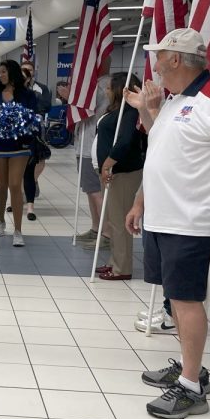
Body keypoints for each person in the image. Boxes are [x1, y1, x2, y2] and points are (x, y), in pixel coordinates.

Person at [124, 28, 210, 419]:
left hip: (194, 221)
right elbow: (162, 149)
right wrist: (140, 201)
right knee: (176, 298)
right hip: (164, 216)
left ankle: (190, 386)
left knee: (187, 300)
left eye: (158, 57)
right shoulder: (174, 101)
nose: (153, 64)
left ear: (175, 59)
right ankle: (193, 369)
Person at [94, 73, 144, 281]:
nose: (106, 91)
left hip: (122, 172)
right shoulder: (116, 110)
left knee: (119, 220)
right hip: (112, 172)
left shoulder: (130, 111)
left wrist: (108, 163)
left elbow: (124, 141)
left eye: (109, 87)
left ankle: (122, 267)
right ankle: (115, 261)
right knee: (113, 219)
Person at [0, 59, 38, 247]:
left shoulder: (28, 95)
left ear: (13, 72)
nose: (1, 75)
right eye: (0, 73)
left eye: (4, 72)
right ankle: (0, 221)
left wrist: (18, 122)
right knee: (2, 184)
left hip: (20, 146)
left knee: (15, 185)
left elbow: (34, 118)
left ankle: (18, 230)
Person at [75, 56, 112, 250]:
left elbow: (91, 108)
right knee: (90, 190)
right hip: (84, 143)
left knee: (97, 192)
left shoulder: (105, 84)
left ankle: (106, 234)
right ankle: (96, 228)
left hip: (93, 146)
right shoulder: (92, 84)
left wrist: (74, 99)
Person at [19, 62, 51, 222]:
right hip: (13, 139)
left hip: (33, 135)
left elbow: (44, 107)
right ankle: (17, 201)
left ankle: (30, 205)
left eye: (28, 71)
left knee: (31, 171)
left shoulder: (38, 91)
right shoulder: (8, 93)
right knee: (15, 175)